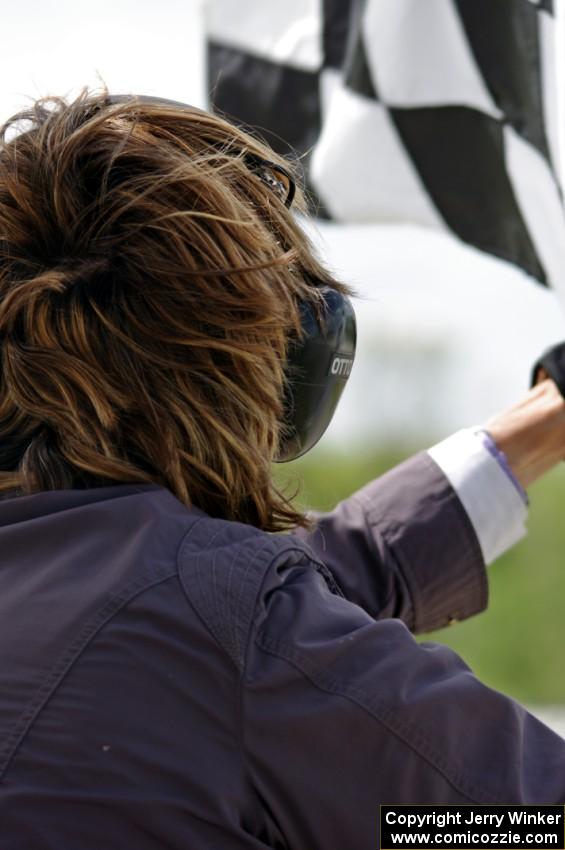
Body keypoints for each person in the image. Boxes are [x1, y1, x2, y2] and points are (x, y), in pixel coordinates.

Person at [0, 89, 564, 850]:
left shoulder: (163, 604)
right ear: (267, 362)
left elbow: (287, 587)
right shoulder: (227, 625)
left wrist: (539, 425)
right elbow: (522, 822)